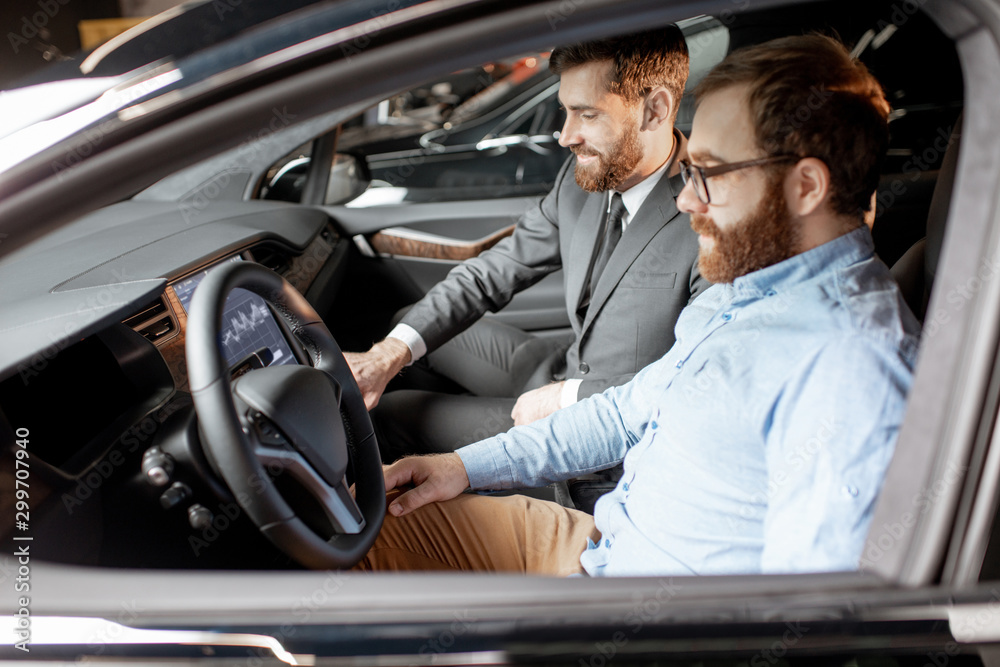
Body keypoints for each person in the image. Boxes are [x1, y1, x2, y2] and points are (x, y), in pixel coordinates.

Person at [354, 34, 921, 576]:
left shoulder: (850, 368)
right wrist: (460, 467)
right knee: (354, 525)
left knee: (346, 547)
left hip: (633, 609)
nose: (686, 197)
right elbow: (626, 412)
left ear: (804, 188)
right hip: (604, 541)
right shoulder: (745, 290)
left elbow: (813, 616)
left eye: (708, 174)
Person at [345, 27, 707, 463]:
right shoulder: (581, 186)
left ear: (656, 109)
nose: (564, 135)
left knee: (393, 415)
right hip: (552, 367)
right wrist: (388, 354)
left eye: (586, 114)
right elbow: (491, 273)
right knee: (406, 328)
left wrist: (568, 397)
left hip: (602, 429)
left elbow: (700, 376)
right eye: (564, 112)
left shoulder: (711, 215)